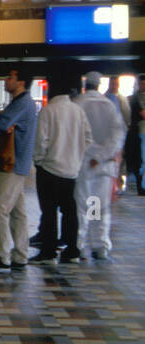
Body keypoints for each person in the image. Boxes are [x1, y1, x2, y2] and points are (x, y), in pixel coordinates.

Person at [0, 68, 40, 273]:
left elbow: (0, 125)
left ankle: (1, 256)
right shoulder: (22, 103)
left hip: (12, 164)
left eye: (10, 77)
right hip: (19, 163)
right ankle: (20, 254)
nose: (6, 80)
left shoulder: (22, 103)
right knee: (18, 212)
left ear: (21, 82)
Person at [30, 76, 92, 263]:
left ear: (52, 90)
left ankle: (48, 252)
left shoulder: (48, 111)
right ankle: (71, 250)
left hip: (49, 168)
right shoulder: (78, 111)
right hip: (71, 169)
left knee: (49, 211)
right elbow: (88, 138)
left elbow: (41, 141)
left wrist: (39, 160)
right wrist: (77, 156)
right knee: (69, 210)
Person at [73, 71, 127, 260]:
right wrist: (102, 156)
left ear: (85, 85)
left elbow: (74, 135)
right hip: (102, 167)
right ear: (99, 86)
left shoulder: (78, 104)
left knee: (82, 206)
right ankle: (99, 243)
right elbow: (117, 136)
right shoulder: (109, 106)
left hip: (83, 164)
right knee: (97, 205)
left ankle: (79, 243)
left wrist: (90, 155)